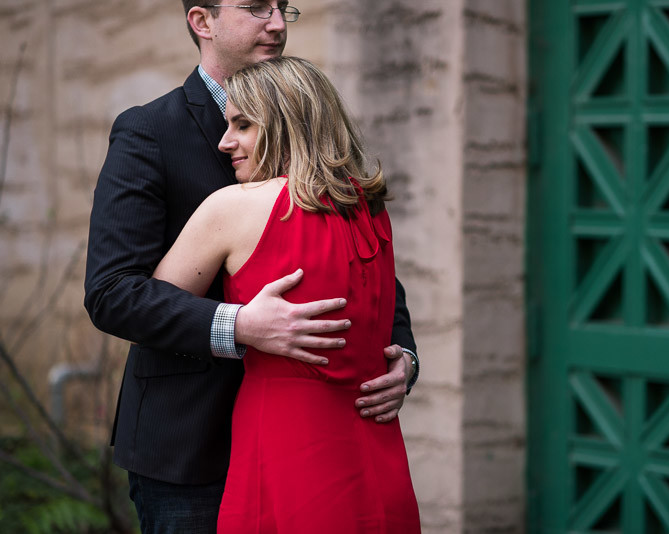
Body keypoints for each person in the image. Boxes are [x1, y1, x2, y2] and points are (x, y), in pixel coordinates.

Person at [83, 2, 420, 532]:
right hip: (191, 448)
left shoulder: (308, 131)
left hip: (315, 441)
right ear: (203, 21)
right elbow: (111, 293)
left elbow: (371, 274)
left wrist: (404, 358)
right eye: (257, 7)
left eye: (285, 8)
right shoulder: (149, 130)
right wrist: (240, 325)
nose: (279, 24)